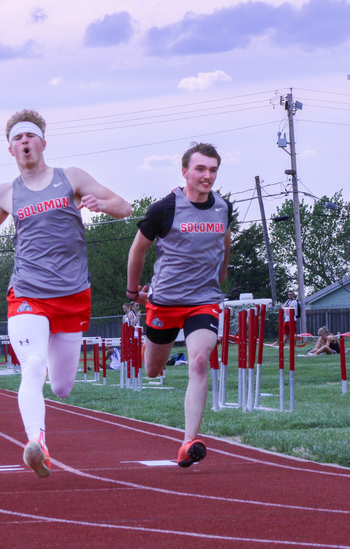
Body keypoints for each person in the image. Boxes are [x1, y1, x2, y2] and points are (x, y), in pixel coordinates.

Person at [0, 109, 130, 478]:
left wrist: (101, 205)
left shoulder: (71, 177)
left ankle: (43, 414)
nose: (24, 142)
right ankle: (36, 443)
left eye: (30, 136)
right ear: (10, 149)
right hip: (28, 292)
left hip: (72, 294)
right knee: (32, 364)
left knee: (62, 386)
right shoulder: (7, 191)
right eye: (17, 138)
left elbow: (123, 206)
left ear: (43, 142)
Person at [126, 142, 230, 468]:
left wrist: (222, 275)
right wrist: (133, 292)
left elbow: (225, 240)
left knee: (199, 361)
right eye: (200, 169)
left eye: (212, 170)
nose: (207, 175)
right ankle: (152, 346)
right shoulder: (165, 208)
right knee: (152, 370)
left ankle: (189, 442)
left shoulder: (222, 207)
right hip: (164, 302)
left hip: (203, 302)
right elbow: (137, 250)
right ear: (185, 171)